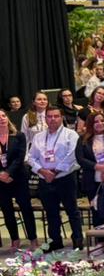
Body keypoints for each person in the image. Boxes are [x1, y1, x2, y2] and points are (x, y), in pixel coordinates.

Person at [27, 107, 83, 254]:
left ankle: (77, 238)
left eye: (56, 116)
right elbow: (31, 157)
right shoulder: (38, 137)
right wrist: (42, 171)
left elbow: (72, 155)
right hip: (45, 179)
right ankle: (55, 241)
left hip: (65, 178)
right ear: (45, 119)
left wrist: (56, 171)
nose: (52, 119)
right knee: (51, 212)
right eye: (49, 116)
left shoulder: (71, 135)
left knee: (72, 210)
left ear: (61, 117)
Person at [0, 117, 37, 251]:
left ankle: (33, 238)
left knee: (26, 208)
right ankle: (15, 239)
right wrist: (1, 175)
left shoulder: (18, 135)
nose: (1, 119)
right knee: (7, 210)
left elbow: (20, 157)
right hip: (1, 181)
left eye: (3, 116)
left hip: (19, 177)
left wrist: (8, 173)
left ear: (8, 118)